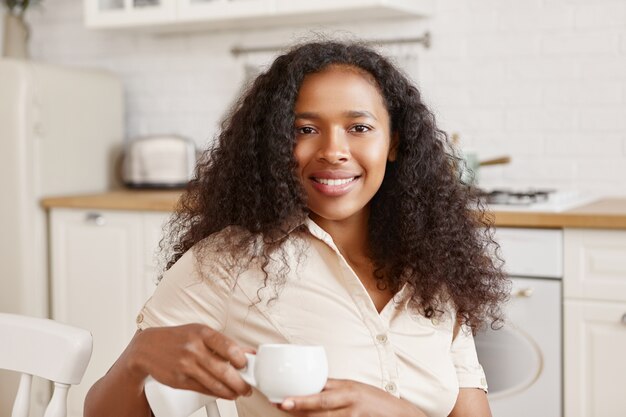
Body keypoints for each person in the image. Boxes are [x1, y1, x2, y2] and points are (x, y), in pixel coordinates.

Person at [84, 40, 508, 417]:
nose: (333, 151)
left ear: (394, 142)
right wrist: (137, 359)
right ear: (275, 145)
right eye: (305, 130)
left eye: (358, 128)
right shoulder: (229, 262)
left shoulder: (432, 263)